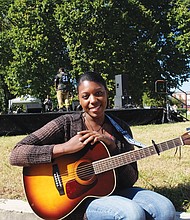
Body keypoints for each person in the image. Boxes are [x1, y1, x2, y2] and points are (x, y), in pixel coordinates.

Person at [10, 71, 176, 220]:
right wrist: (65, 148)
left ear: (106, 94)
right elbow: (17, 154)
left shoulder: (121, 129)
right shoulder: (66, 123)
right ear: (79, 99)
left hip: (114, 191)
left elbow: (130, 180)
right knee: (132, 214)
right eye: (86, 96)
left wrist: (113, 148)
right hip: (76, 201)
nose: (93, 101)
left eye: (98, 94)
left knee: (165, 209)